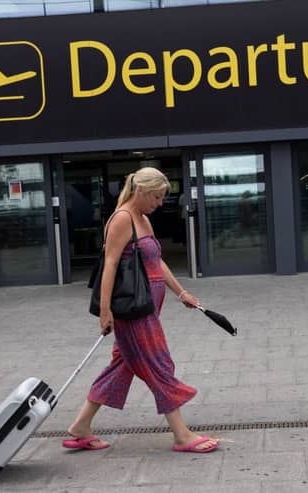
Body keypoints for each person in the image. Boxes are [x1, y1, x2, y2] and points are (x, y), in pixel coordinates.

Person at [63, 167, 219, 454]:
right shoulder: (122, 218)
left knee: (121, 367)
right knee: (159, 364)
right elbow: (110, 264)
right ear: (142, 191)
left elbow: (155, 262)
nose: (160, 203)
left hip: (147, 307)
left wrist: (181, 292)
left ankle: (80, 427)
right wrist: (105, 311)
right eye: (157, 197)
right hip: (133, 313)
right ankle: (182, 435)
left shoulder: (143, 219)